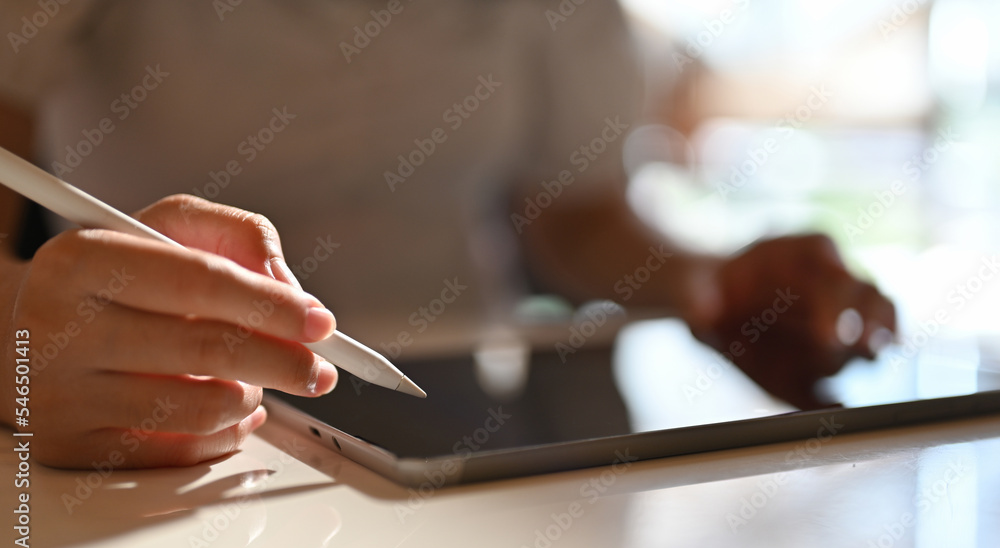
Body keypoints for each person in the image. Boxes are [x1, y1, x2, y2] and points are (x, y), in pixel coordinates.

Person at [0, 0, 895, 469]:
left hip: (472, 426)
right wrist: (21, 354)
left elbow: (573, 214)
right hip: (157, 417)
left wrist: (709, 279)